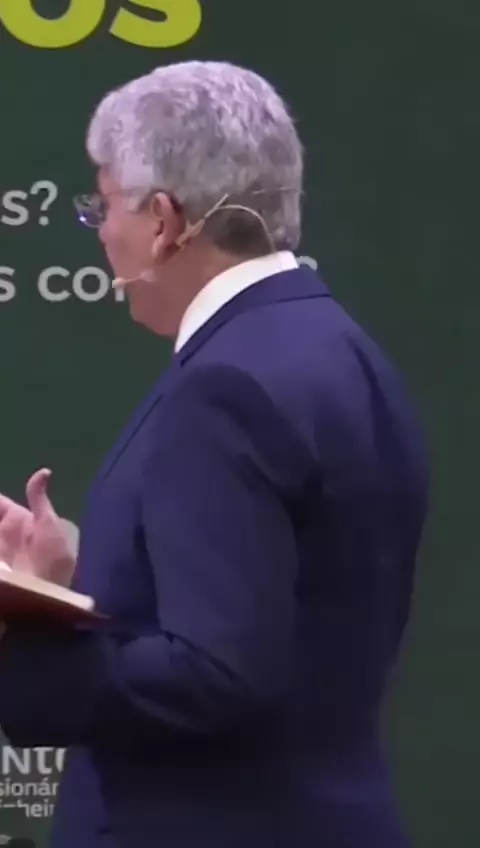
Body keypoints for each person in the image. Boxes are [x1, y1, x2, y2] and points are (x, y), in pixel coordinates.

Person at [0, 61, 429, 848]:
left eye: (103, 206)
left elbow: (215, 675)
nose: (102, 233)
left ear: (163, 220)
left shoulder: (225, 386)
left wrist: (20, 647)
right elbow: (274, 613)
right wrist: (60, 586)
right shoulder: (345, 351)